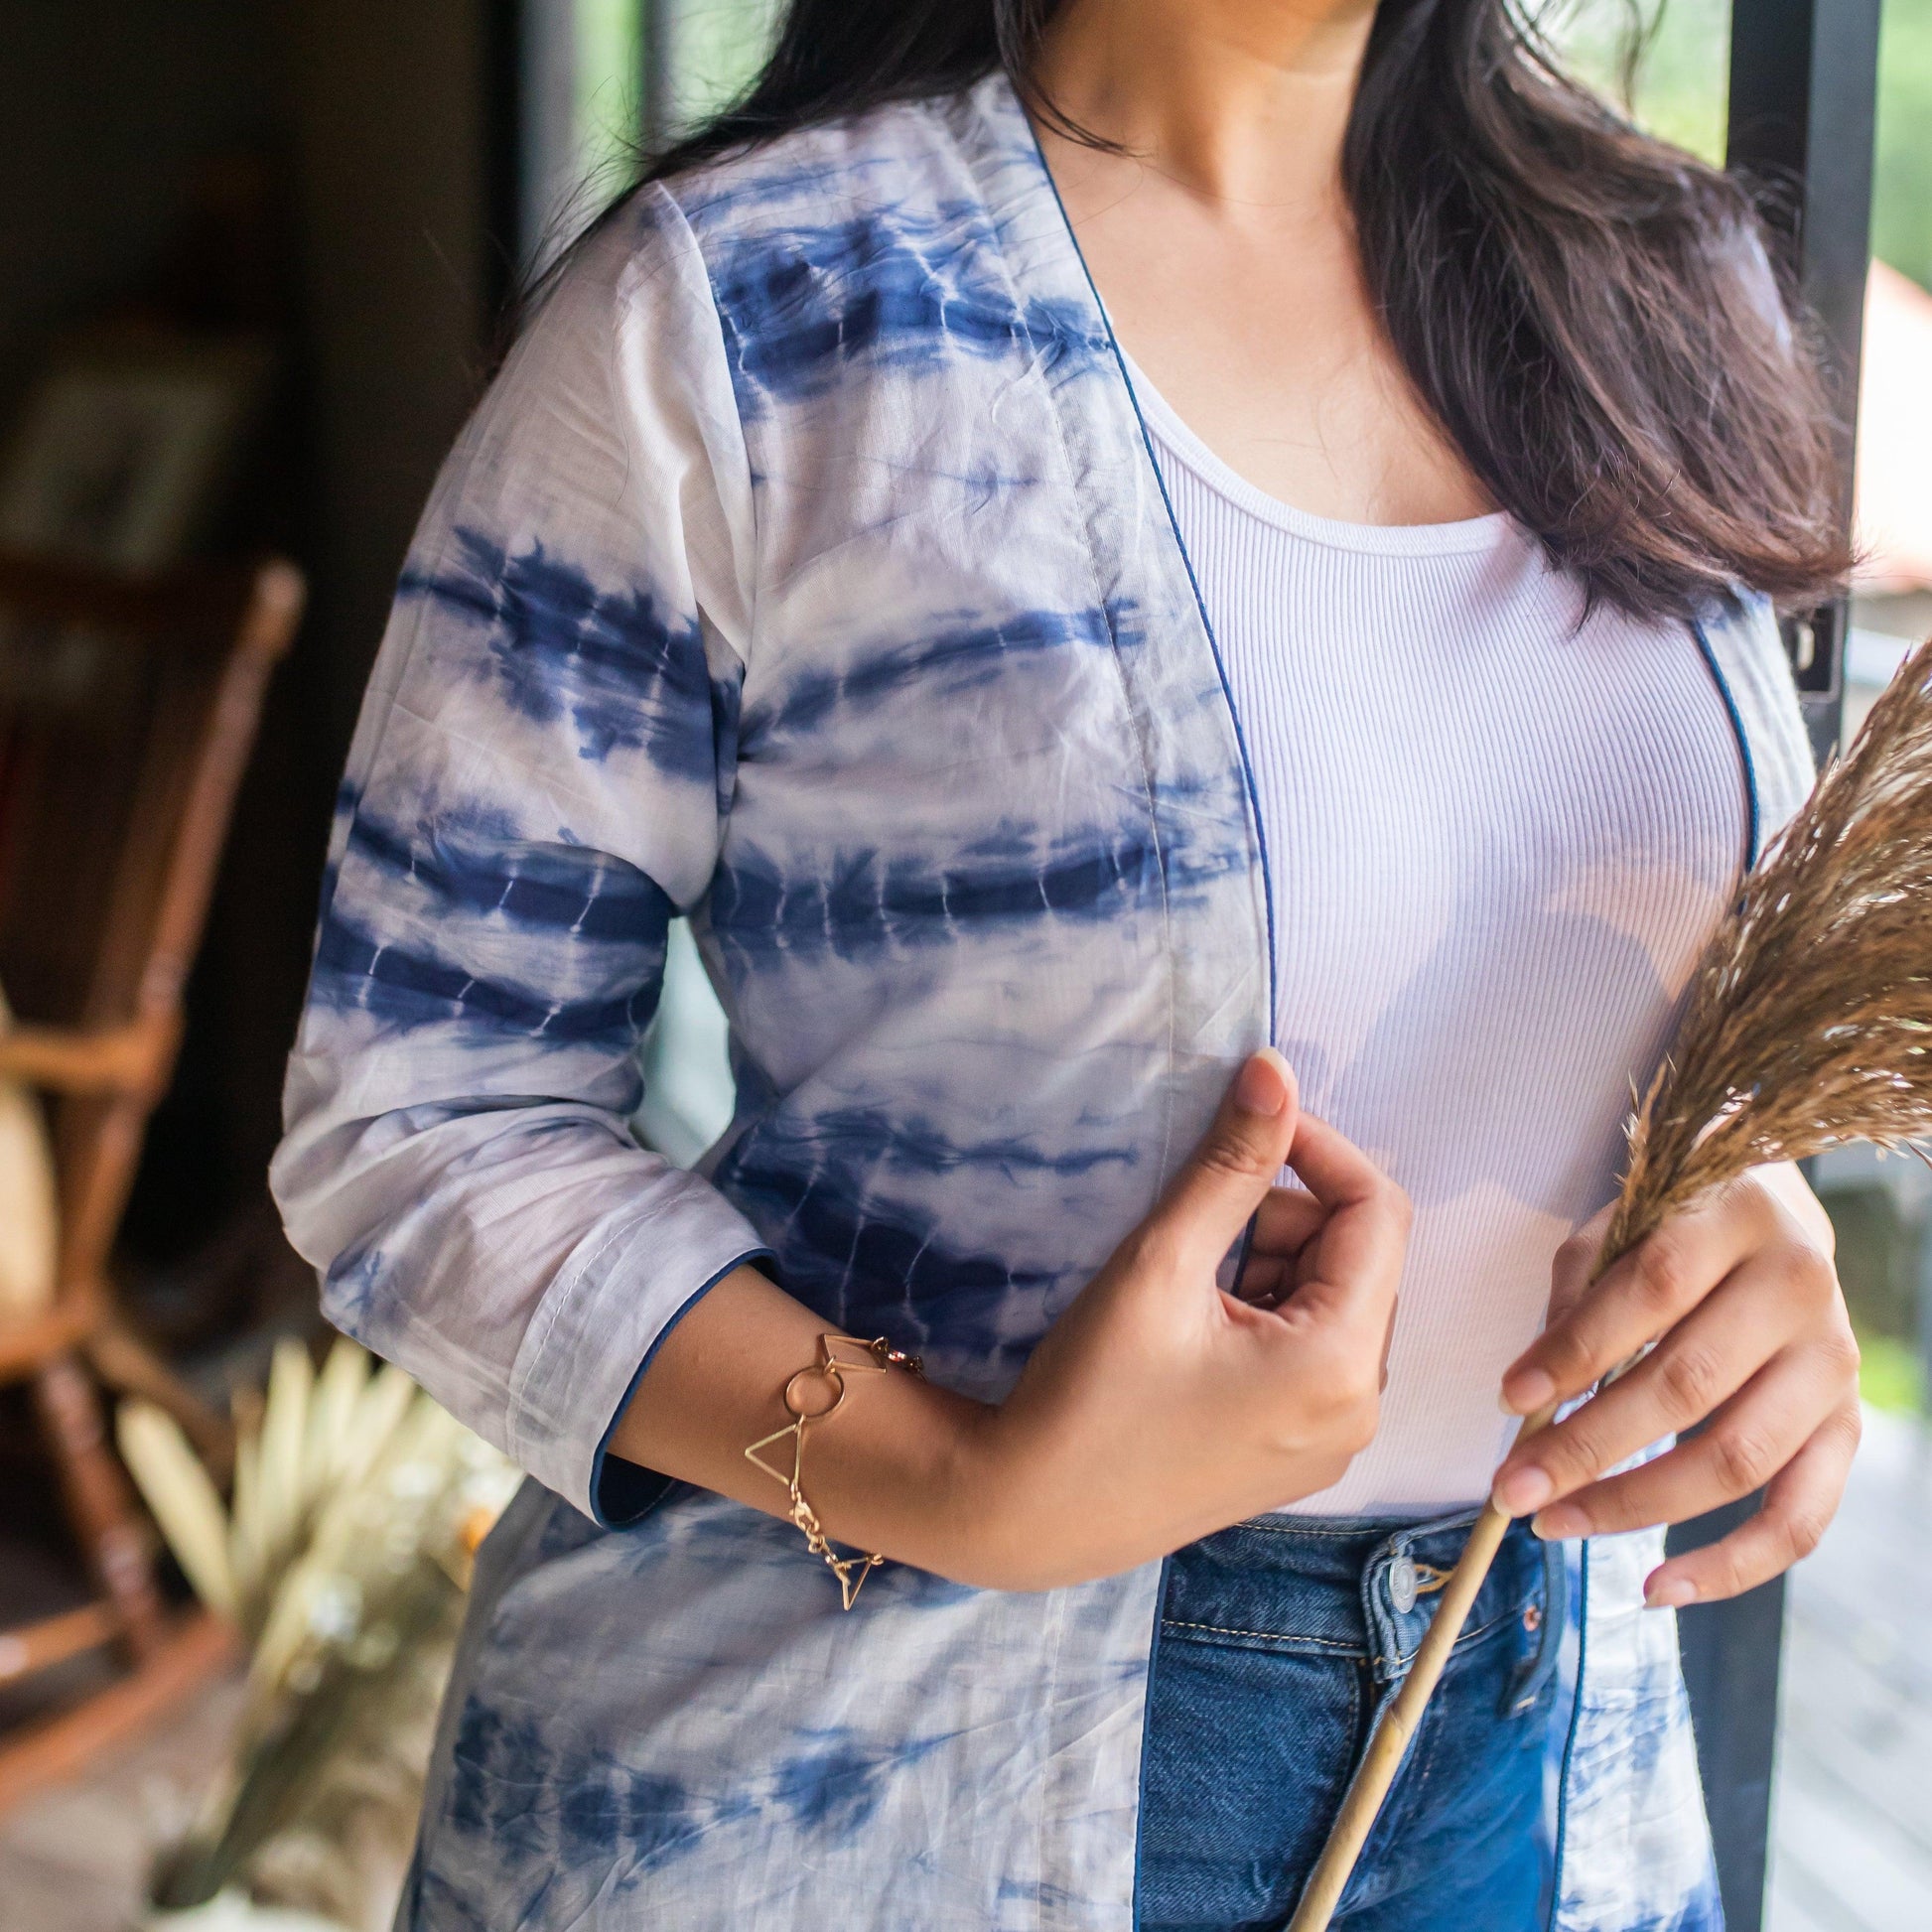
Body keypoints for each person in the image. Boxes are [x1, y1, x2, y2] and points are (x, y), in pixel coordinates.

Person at [271, 2, 1863, 1926]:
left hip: (1547, 1748)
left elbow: (1584, 936)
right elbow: (423, 1108)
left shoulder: (1660, 277)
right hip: (864, 1780)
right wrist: (967, 1483)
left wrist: (1737, 1198)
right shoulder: (754, 312)